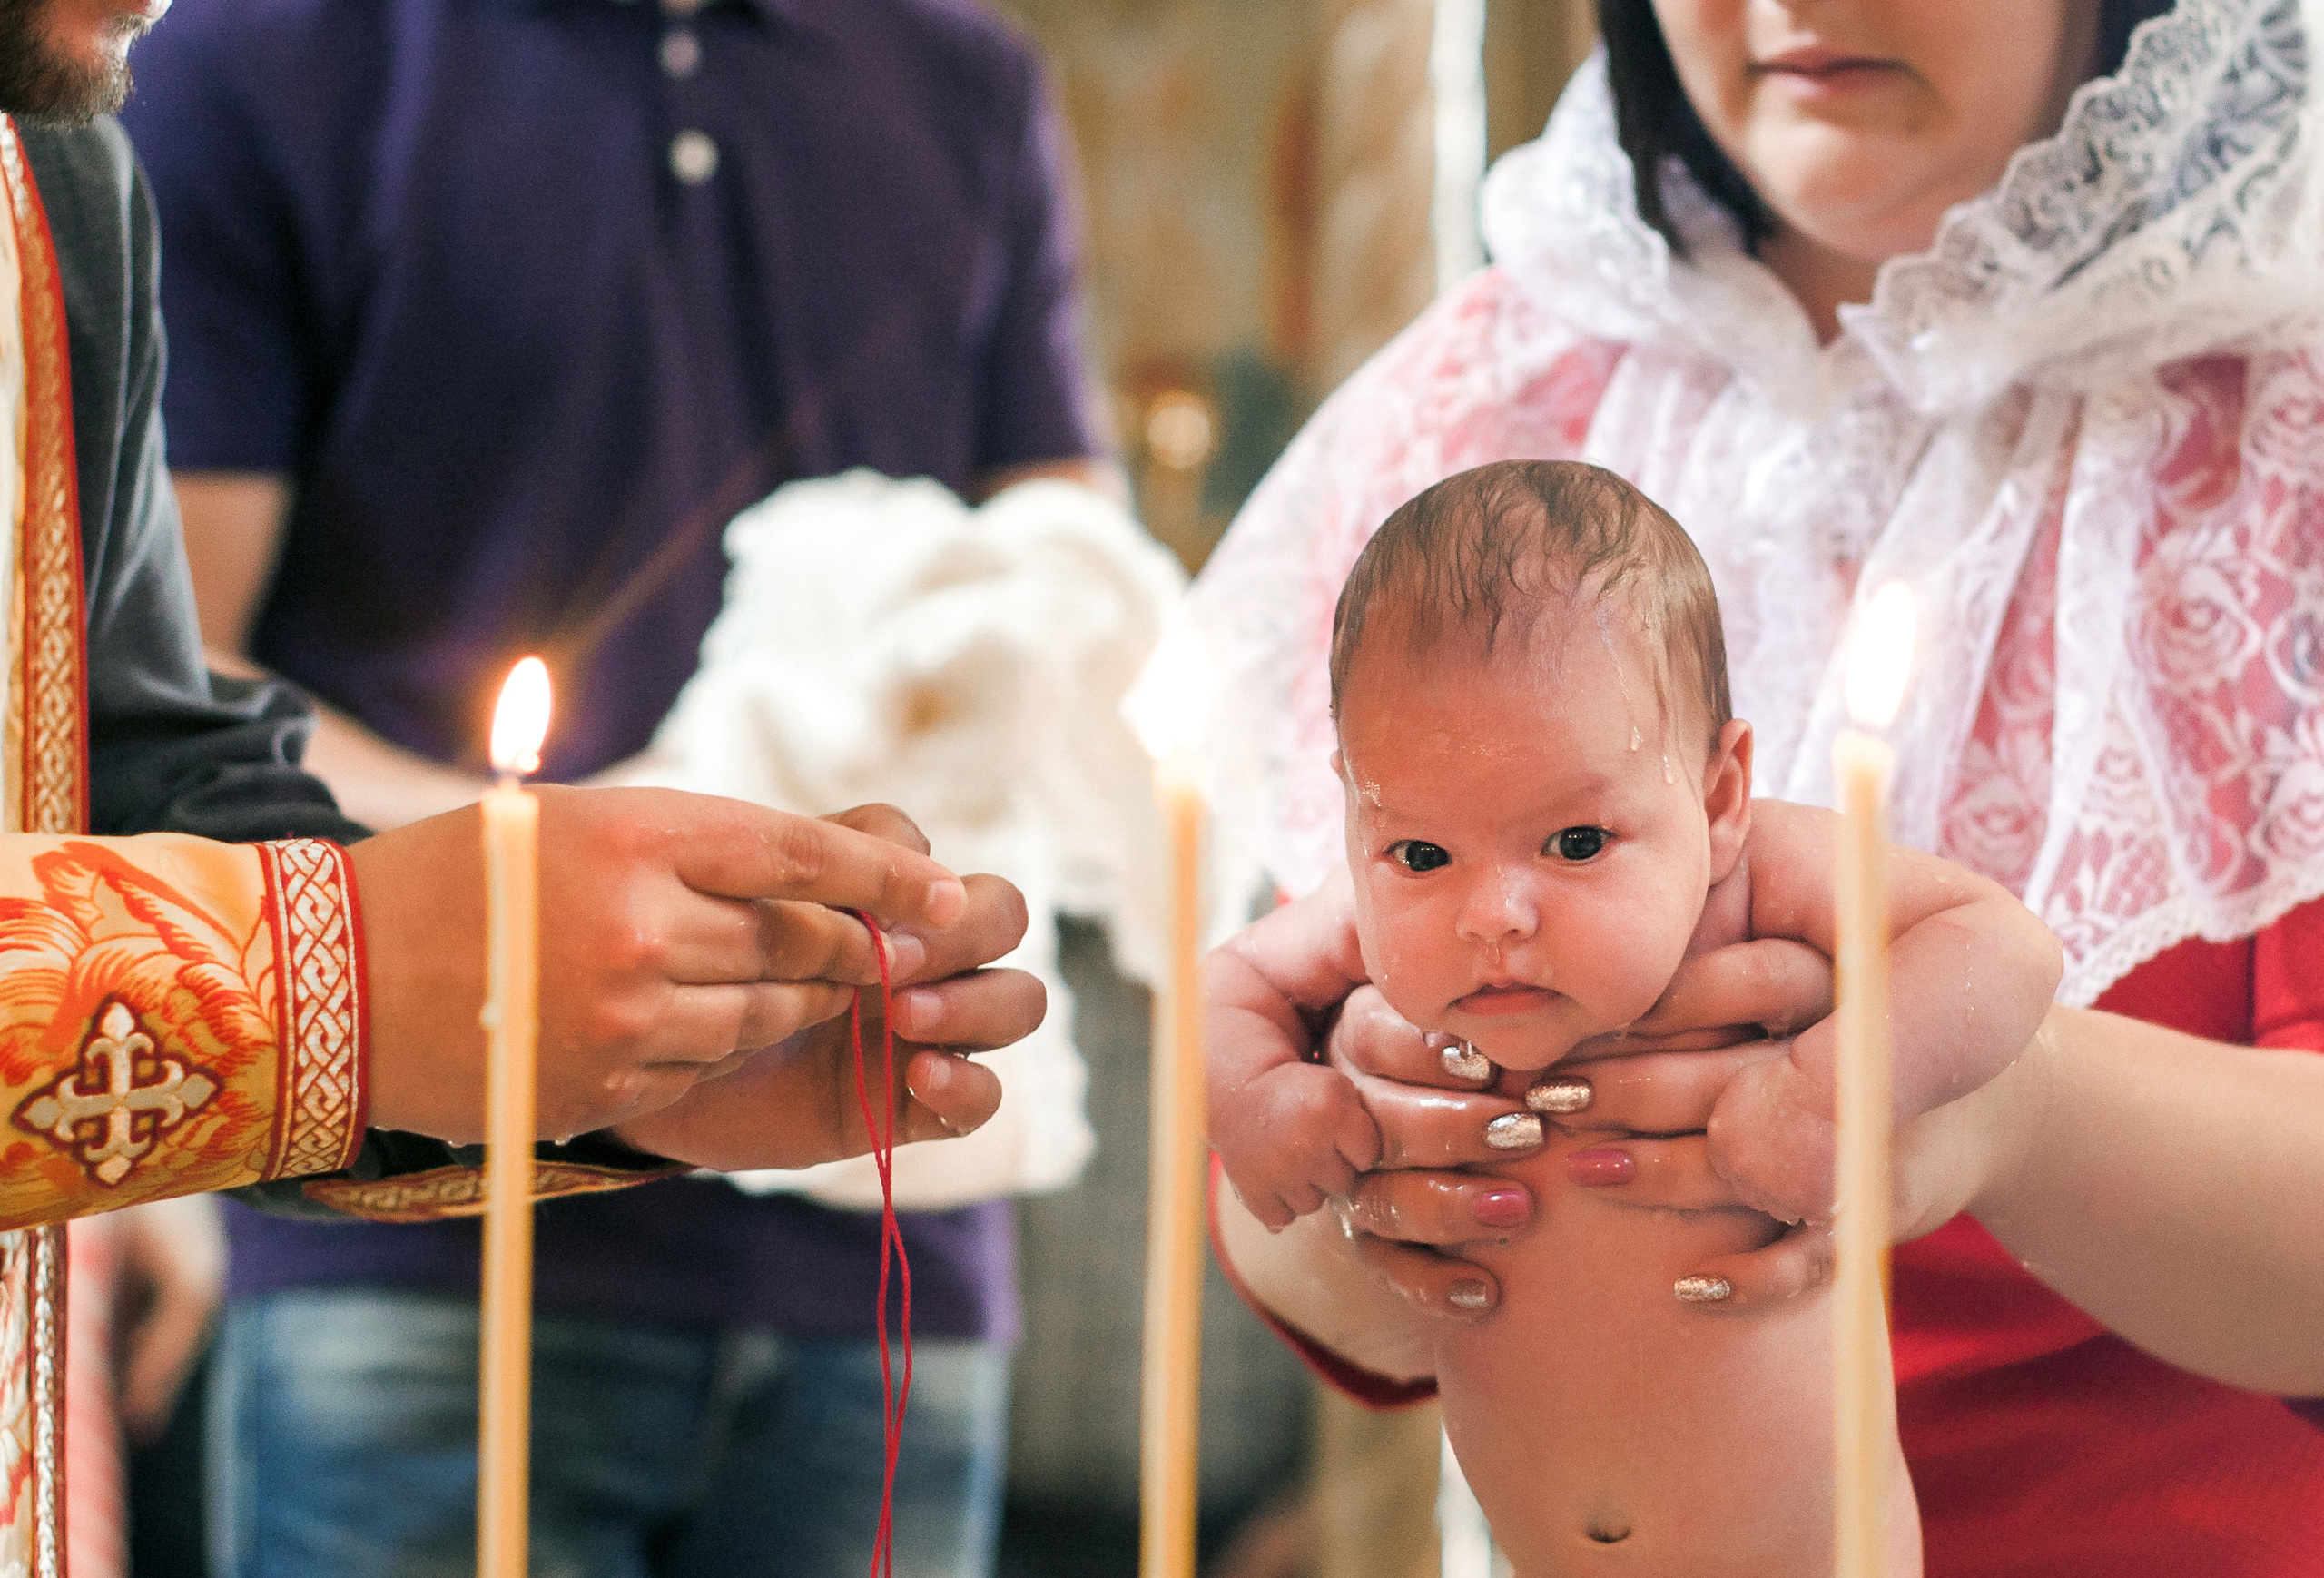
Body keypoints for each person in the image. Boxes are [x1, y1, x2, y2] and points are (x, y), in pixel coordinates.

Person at [1183, 0, 2324, 1573]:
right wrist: (1383, 1161)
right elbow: (1302, 1239)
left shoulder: (2282, 429)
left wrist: (2004, 1103)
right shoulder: (1487, 410)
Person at [0, 0, 1044, 1572]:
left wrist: (636, 1052)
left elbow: (134, 782)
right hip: (411, 1342)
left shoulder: (54, 159)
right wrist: (372, 973)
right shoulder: (224, 71)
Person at [1210, 460, 2063, 1573]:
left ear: (1717, 797)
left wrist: (1830, 1091)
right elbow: (1227, 983)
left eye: (1575, 844)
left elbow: (2004, 944)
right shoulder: (1364, 907)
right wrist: (1259, 1094)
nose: (1492, 914)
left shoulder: (1751, 880)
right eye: (1418, 852)